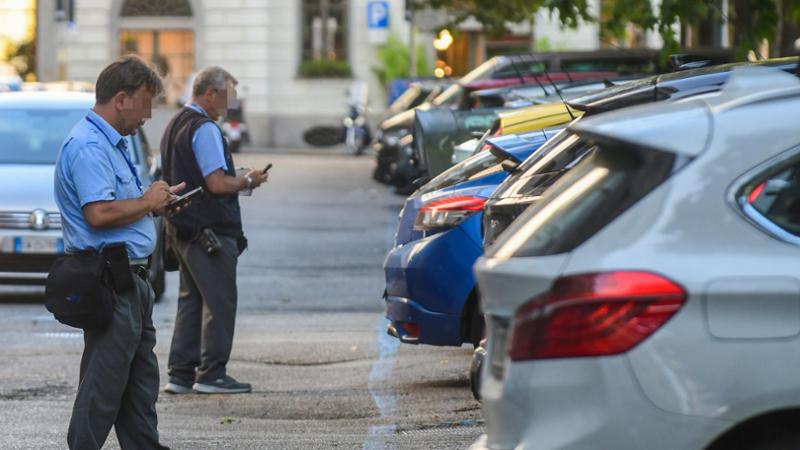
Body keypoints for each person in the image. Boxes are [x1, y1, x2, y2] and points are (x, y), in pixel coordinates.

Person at [54, 55, 181, 450]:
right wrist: (147, 201)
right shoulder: (90, 145)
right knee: (103, 386)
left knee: (140, 385)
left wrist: (158, 204)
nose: (148, 113)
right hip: (111, 279)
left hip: (133, 279)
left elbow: (124, 206)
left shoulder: (115, 141)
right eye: (145, 101)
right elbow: (99, 213)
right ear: (121, 98)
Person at [161, 66, 268, 395]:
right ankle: (211, 374)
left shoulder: (175, 123)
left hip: (182, 227)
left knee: (191, 301)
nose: (230, 105)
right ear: (210, 94)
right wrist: (248, 180)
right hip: (207, 231)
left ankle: (180, 375)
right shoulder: (204, 128)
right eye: (228, 97)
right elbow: (216, 182)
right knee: (220, 303)